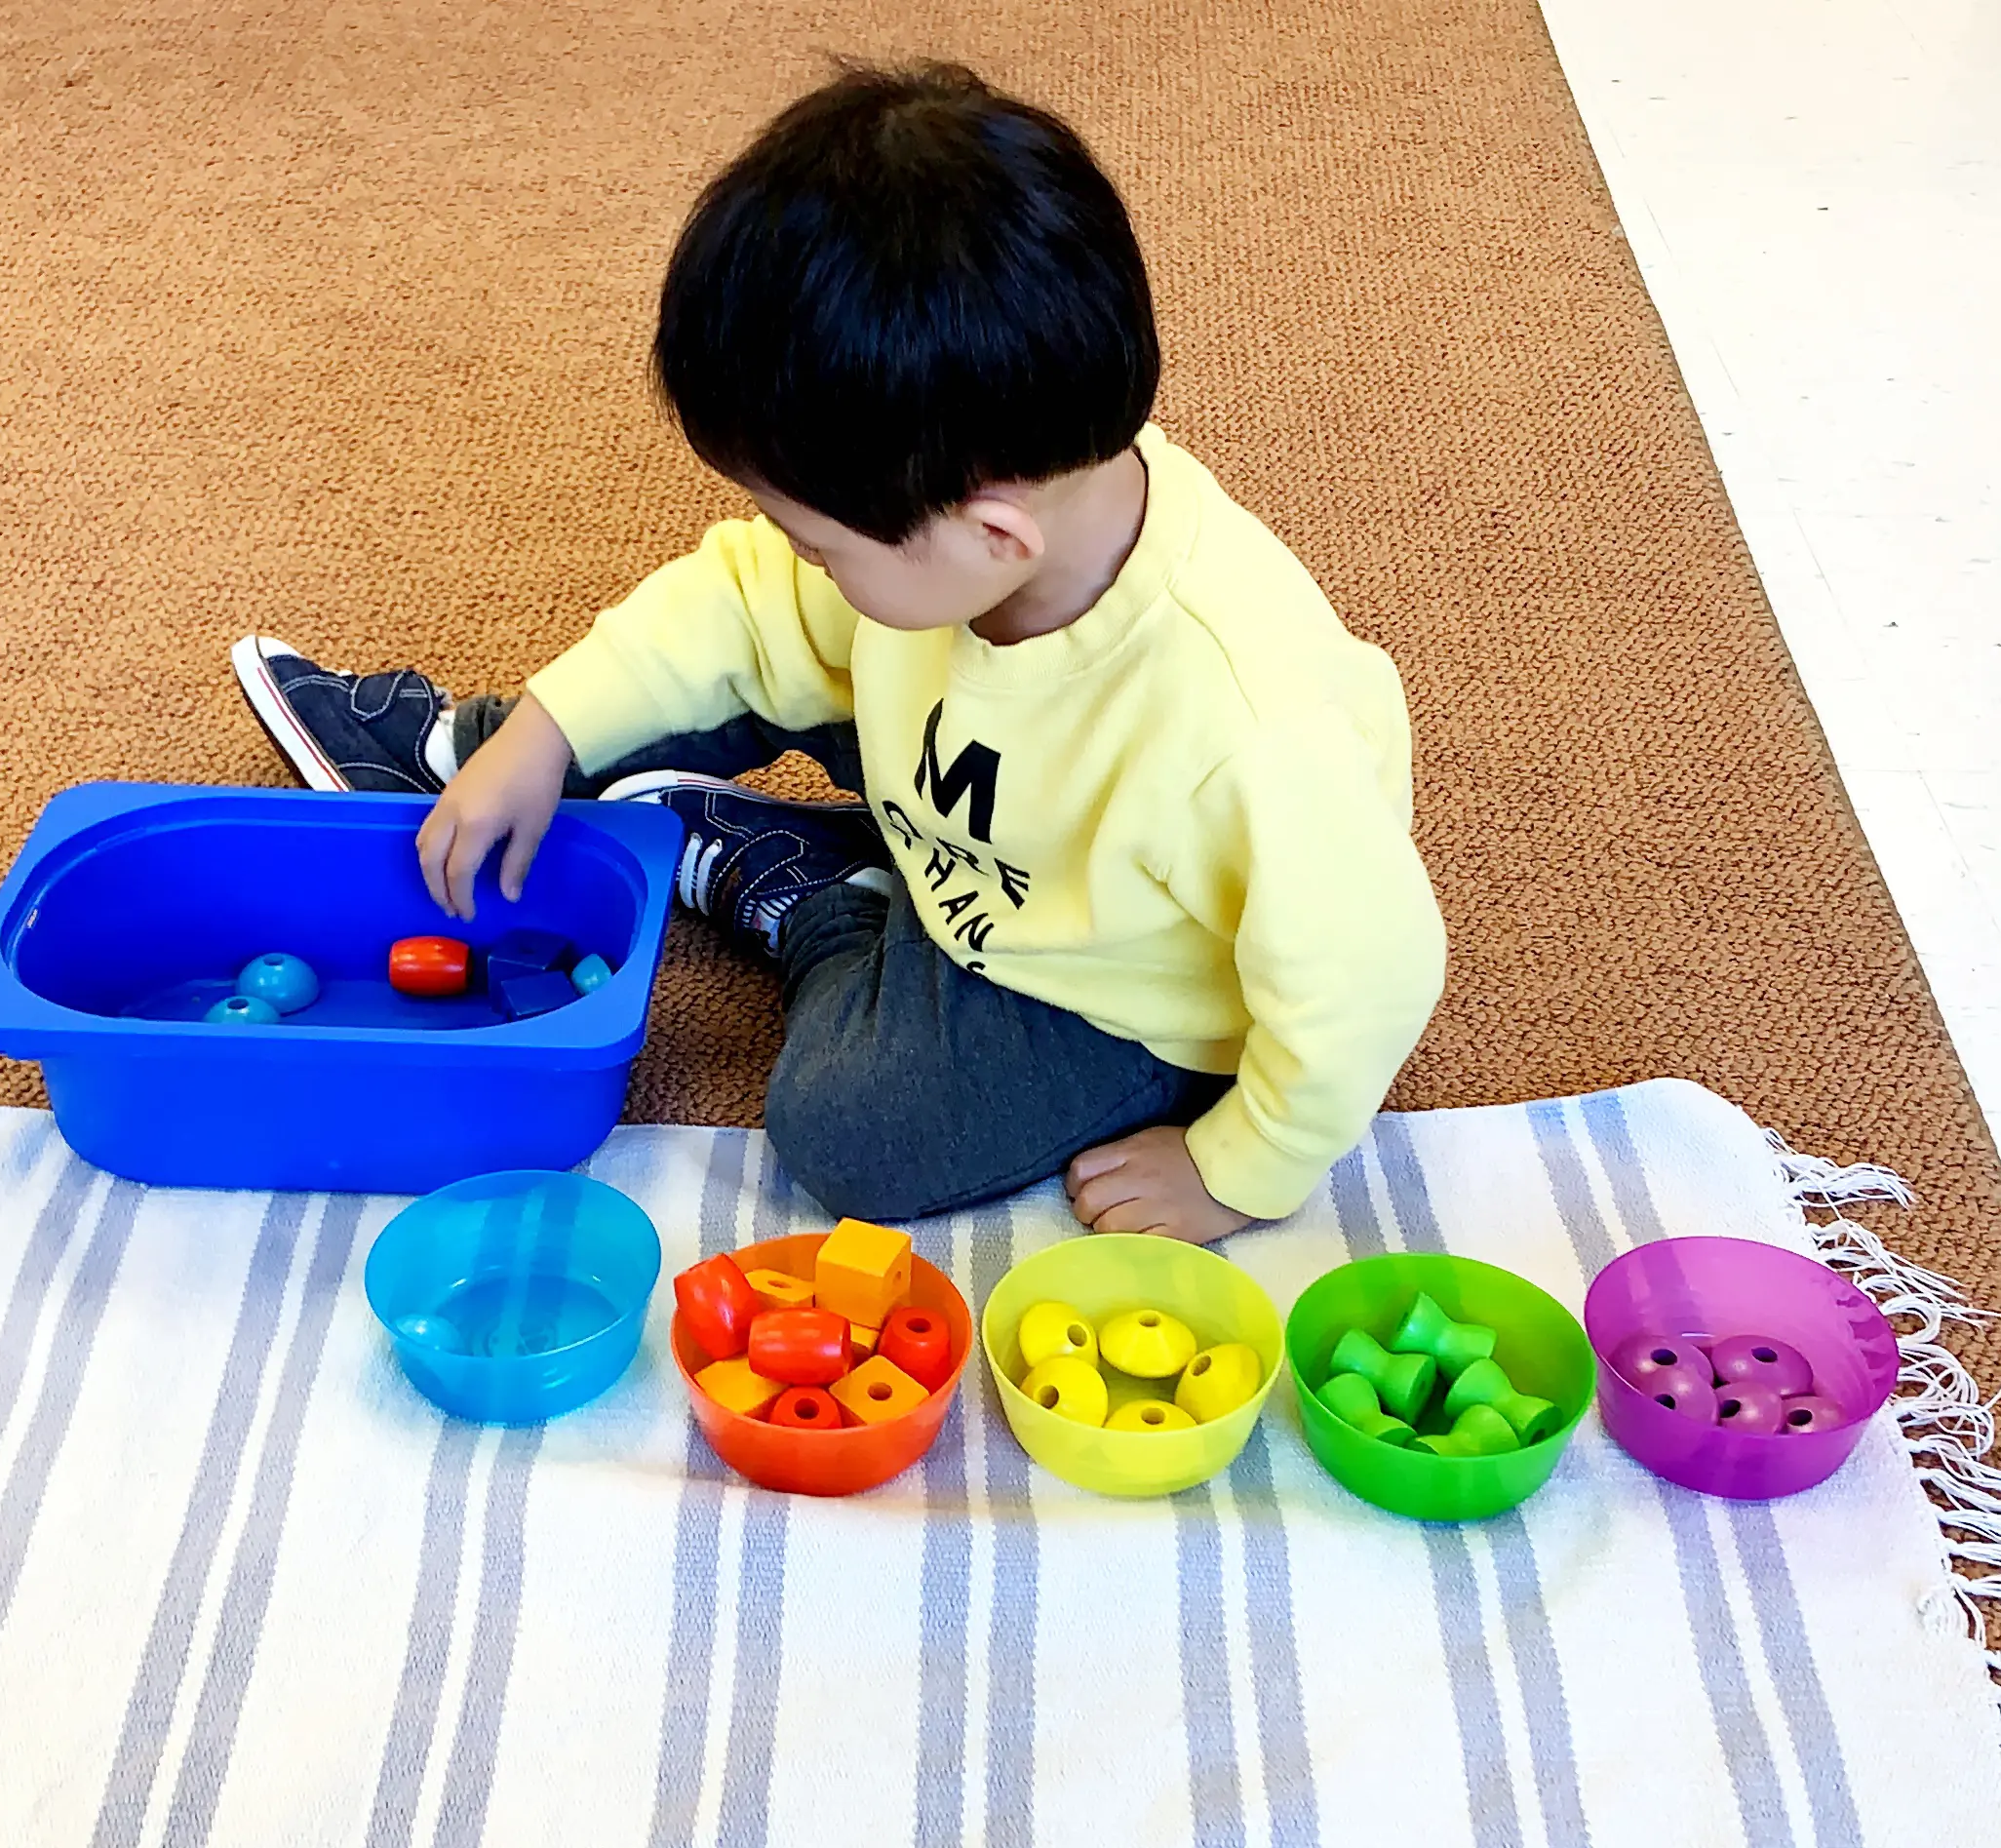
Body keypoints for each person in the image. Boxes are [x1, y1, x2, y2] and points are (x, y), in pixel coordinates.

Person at [232, 60, 1444, 1243]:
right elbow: (736, 606)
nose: (790, 555)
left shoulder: (1245, 734)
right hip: (966, 776)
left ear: (990, 534)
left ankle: (822, 895)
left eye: (813, 541)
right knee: (718, 646)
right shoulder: (977, 541)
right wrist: (546, 729)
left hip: (1107, 982)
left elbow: (1366, 986)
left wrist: (1243, 1166)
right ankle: (473, 747)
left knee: (849, 1133)